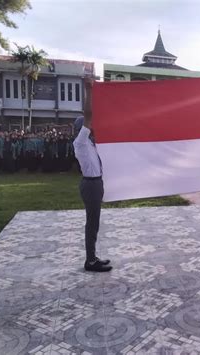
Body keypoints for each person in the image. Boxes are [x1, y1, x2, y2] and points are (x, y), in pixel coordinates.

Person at [73, 78, 112, 272]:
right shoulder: (80, 142)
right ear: (82, 129)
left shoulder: (90, 143)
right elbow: (88, 115)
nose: (93, 127)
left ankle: (92, 256)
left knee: (94, 222)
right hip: (90, 185)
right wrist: (88, 90)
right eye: (89, 126)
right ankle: (90, 261)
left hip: (95, 184)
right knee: (92, 223)